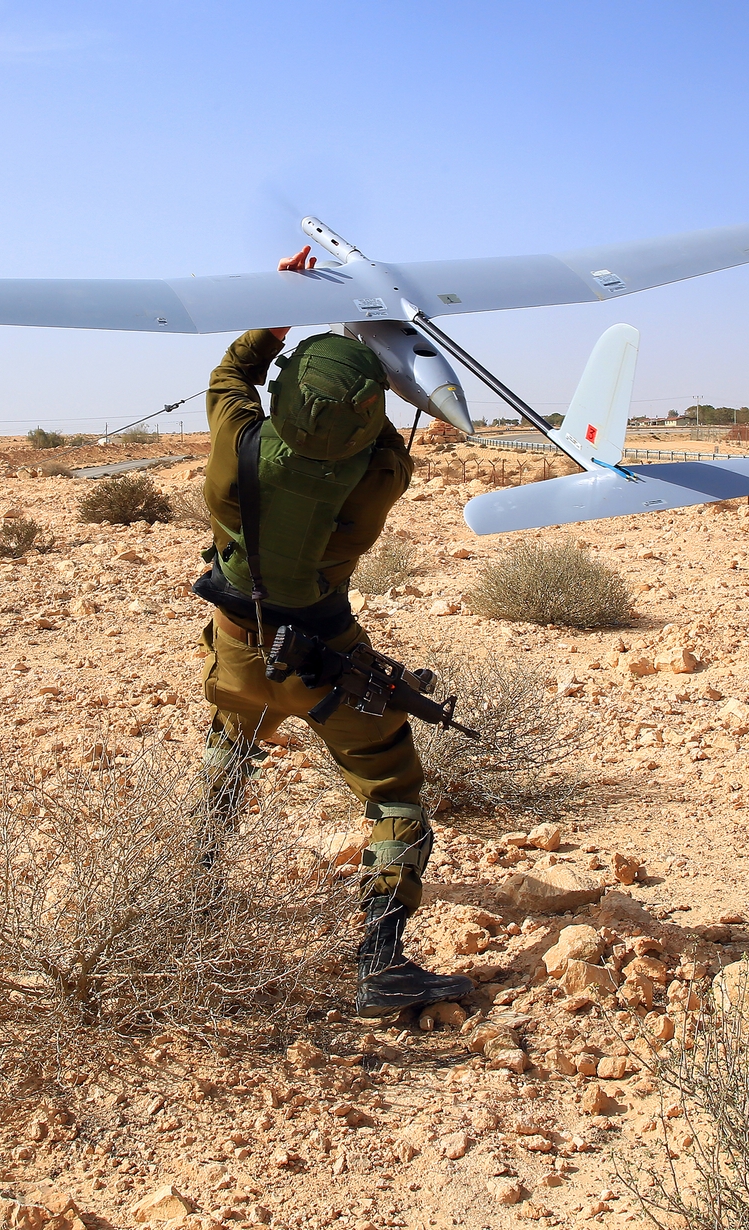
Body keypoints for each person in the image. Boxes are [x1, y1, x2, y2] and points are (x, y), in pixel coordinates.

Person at [192, 245, 474, 1018]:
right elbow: (388, 436)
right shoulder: (380, 473)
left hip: (238, 649)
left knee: (228, 754)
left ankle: (192, 901)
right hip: (324, 659)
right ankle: (380, 964)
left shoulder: (235, 446)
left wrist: (277, 300)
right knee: (396, 800)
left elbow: (230, 378)